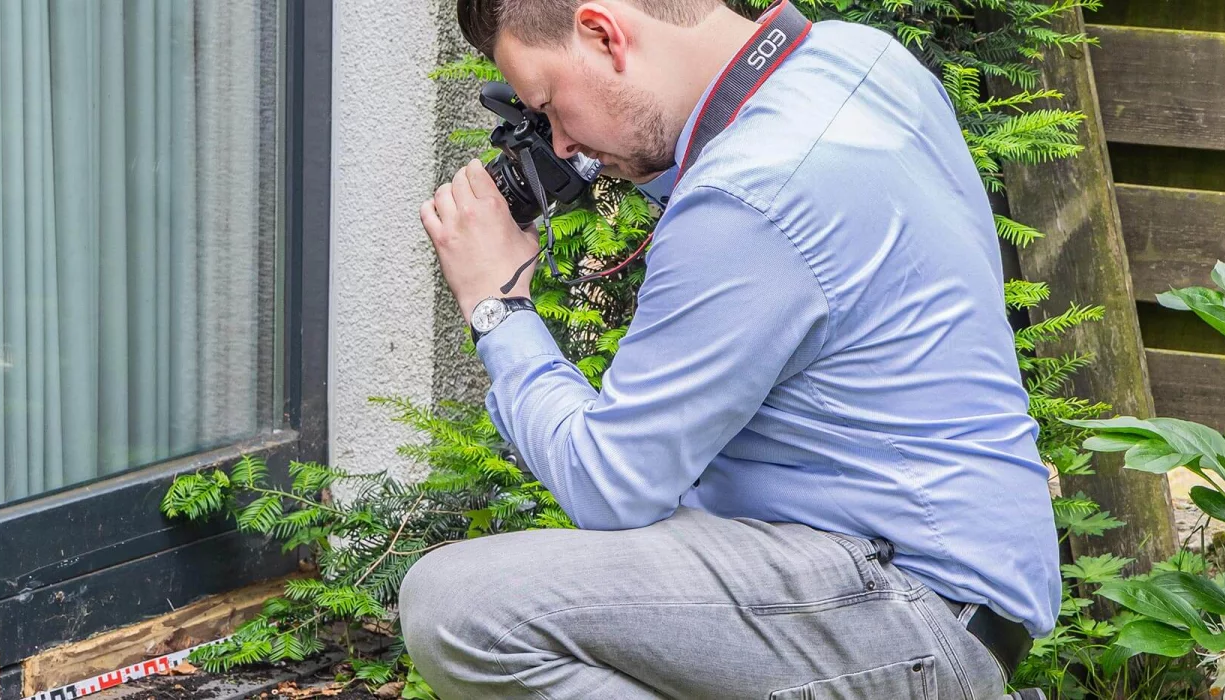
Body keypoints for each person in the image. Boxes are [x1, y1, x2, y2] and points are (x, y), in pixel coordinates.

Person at [403, 0, 1059, 697]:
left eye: (548, 106)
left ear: (603, 34)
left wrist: (497, 305)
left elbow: (608, 484)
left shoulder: (749, 194)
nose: (560, 146)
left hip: (907, 610)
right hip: (951, 588)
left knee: (463, 606)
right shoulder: (857, 59)